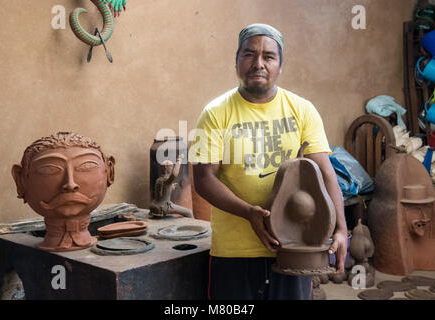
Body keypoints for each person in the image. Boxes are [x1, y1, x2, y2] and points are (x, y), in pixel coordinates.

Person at [190, 23, 348, 300]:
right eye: (249, 54)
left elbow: (325, 173)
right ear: (237, 60)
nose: (258, 63)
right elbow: (203, 180)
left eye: (268, 56)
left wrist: (342, 229)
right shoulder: (214, 114)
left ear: (280, 65)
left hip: (295, 248)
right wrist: (249, 212)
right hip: (235, 252)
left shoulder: (302, 110)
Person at [149, 154, 193, 218]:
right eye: (171, 166)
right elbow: (174, 174)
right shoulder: (166, 179)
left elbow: (163, 191)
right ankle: (192, 226)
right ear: (166, 168)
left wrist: (171, 186)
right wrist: (179, 160)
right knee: (189, 212)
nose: (172, 168)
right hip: (164, 207)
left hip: (154, 205)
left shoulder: (159, 179)